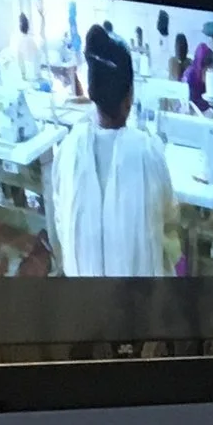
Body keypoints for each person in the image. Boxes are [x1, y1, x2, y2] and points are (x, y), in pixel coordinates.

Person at [47, 26, 176, 276]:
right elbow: (169, 220)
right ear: (129, 96)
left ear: (92, 94)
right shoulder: (149, 153)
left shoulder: (67, 150)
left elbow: (62, 221)